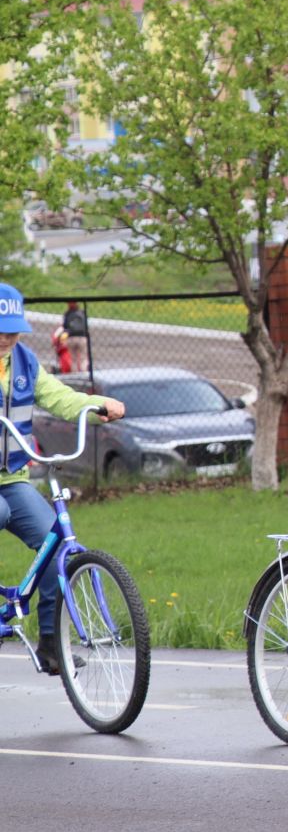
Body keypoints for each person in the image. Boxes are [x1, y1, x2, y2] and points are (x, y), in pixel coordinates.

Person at [0, 283, 126, 673]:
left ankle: (52, 645)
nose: (5, 337)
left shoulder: (24, 362)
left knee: (56, 548)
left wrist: (95, 404)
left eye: (12, 329)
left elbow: (59, 397)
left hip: (13, 476)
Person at [60, 302, 89, 373]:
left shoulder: (67, 314)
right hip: (82, 337)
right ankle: (84, 372)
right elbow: (86, 325)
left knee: (73, 359)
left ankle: (75, 373)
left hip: (71, 337)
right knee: (83, 358)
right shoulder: (82, 313)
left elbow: (65, 326)